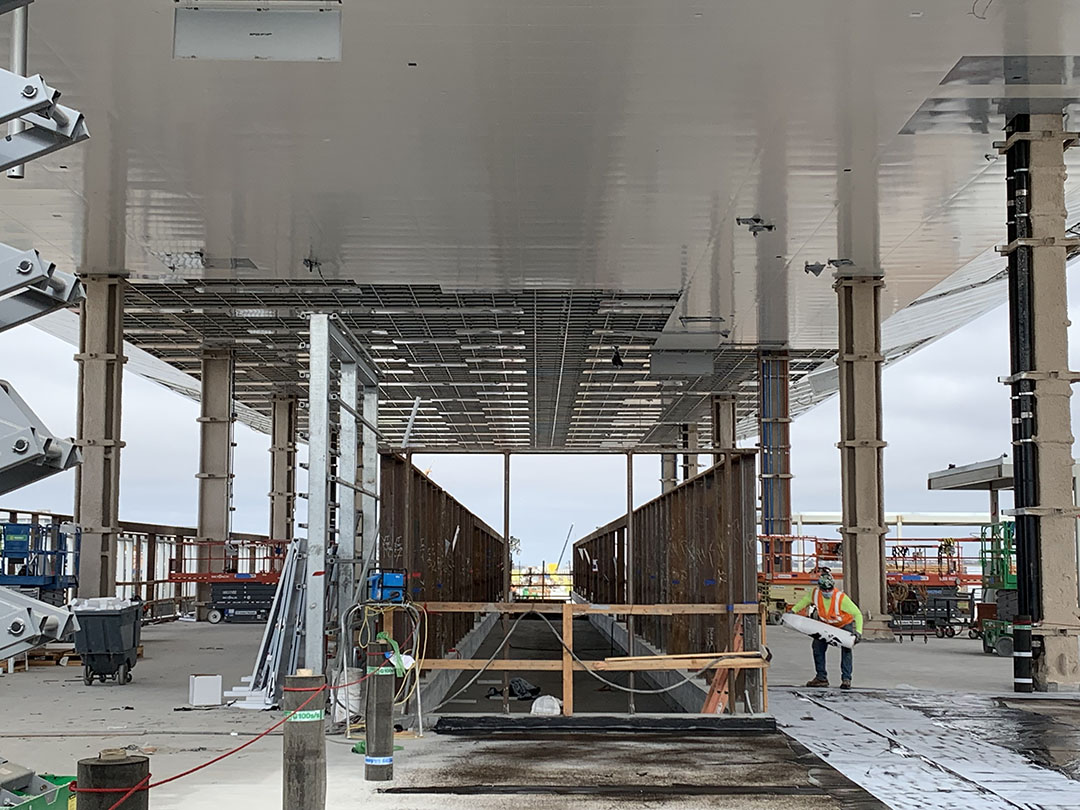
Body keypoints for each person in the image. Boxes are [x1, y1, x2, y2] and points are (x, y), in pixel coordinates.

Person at [789, 568, 863, 689]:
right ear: (820, 587)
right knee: (817, 647)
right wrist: (793, 611)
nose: (827, 591)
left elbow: (857, 614)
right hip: (826, 624)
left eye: (830, 589)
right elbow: (804, 601)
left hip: (843, 624)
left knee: (847, 649)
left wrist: (858, 632)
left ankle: (846, 679)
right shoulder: (815, 594)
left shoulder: (841, 598)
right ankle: (821, 677)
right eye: (825, 589)